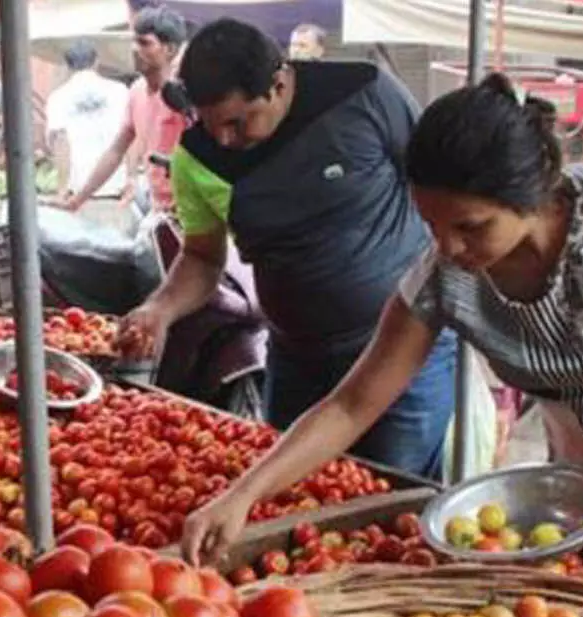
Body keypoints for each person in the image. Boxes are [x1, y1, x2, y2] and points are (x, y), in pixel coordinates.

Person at [182, 73, 583, 573]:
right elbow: (351, 405)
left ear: (530, 195)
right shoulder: (446, 279)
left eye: (470, 227)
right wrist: (242, 497)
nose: (449, 247)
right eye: (432, 226)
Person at [125, 19, 456, 477]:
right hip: (298, 360)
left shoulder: (365, 93)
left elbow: (438, 184)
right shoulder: (197, 156)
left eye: (237, 122)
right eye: (210, 122)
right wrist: (160, 309)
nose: (224, 138)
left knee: (394, 493)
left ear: (278, 83)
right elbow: (202, 258)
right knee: (290, 496)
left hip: (404, 354)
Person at [64, 6, 189, 213]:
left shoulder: (184, 94)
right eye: (134, 41)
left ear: (170, 50)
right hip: (158, 207)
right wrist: (78, 199)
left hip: (191, 208)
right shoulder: (136, 91)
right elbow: (115, 151)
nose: (134, 49)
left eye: (144, 43)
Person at [46, 41, 129, 203]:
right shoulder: (119, 91)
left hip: (78, 191)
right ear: (96, 61)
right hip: (117, 186)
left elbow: (61, 144)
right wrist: (131, 176)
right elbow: (132, 136)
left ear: (68, 66)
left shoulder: (58, 98)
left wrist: (62, 189)